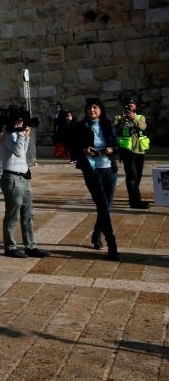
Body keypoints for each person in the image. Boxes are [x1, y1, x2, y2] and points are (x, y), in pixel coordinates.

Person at [0, 116, 48, 258]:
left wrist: (26, 136)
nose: (22, 124)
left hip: (23, 178)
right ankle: (10, 248)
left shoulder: (16, 135)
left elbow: (22, 152)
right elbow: (18, 152)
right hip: (11, 178)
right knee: (13, 215)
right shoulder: (6, 135)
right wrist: (20, 133)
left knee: (28, 215)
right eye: (19, 122)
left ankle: (30, 246)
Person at [71, 97, 119, 260]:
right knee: (103, 206)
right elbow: (73, 147)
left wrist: (112, 149)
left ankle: (96, 234)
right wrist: (84, 150)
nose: (92, 110)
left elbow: (117, 144)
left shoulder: (108, 124)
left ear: (100, 109)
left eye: (95, 107)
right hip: (92, 170)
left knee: (107, 206)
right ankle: (112, 244)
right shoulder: (80, 126)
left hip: (109, 169)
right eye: (89, 108)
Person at [114, 96, 149, 209]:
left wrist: (133, 118)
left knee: (138, 176)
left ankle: (134, 198)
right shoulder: (119, 117)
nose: (130, 106)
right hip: (127, 151)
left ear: (135, 106)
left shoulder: (140, 117)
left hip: (139, 150)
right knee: (132, 175)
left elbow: (143, 127)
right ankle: (135, 202)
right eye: (128, 104)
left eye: (132, 104)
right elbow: (114, 130)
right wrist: (122, 121)